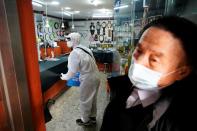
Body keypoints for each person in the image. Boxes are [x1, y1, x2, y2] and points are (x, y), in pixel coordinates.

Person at [100, 16, 197, 131]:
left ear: (182, 72)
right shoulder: (121, 90)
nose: (139, 62)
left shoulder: (177, 122)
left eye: (154, 59)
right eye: (139, 50)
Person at [60, 32, 100, 126]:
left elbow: (72, 72)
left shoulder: (74, 53)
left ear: (74, 40)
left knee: (85, 99)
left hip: (88, 78)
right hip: (96, 75)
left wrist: (64, 77)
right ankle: (92, 117)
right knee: (92, 98)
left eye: (68, 39)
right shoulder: (85, 48)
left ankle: (85, 120)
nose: (66, 41)